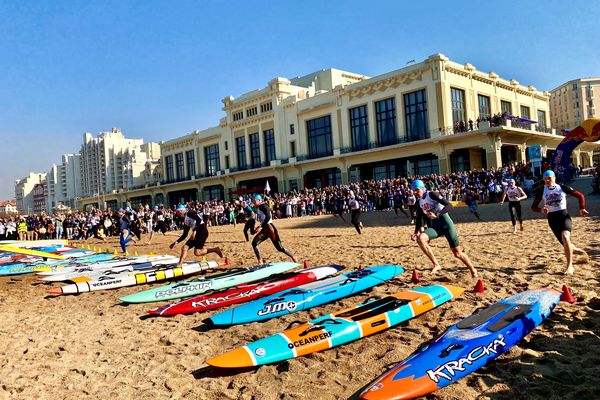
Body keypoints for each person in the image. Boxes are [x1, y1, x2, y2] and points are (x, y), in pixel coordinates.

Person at [410, 179, 478, 278]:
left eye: (416, 190)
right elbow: (420, 218)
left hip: (446, 224)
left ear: (422, 188)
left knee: (457, 254)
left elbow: (449, 205)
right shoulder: (419, 202)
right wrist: (415, 232)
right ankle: (436, 264)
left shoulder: (432, 194)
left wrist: (437, 214)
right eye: (413, 190)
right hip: (436, 226)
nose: (415, 192)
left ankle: (472, 269)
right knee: (420, 239)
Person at [531, 170, 589, 275]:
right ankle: (575, 249)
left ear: (554, 178)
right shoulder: (542, 191)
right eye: (545, 179)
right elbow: (533, 207)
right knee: (566, 243)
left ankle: (569, 266)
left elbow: (580, 196)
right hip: (552, 220)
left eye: (549, 178)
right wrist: (541, 210)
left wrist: (582, 208)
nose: (547, 180)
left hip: (564, 216)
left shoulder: (562, 187)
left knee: (565, 236)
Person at [251, 194, 297, 265]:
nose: (253, 202)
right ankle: (260, 261)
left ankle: (293, 256)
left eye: (254, 201)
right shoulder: (259, 207)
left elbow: (268, 217)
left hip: (270, 228)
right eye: (252, 201)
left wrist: (260, 226)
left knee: (280, 248)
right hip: (265, 229)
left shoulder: (264, 206)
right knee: (254, 243)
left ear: (259, 200)